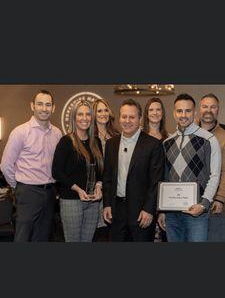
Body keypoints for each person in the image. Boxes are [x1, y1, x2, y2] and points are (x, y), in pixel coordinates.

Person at [158, 94, 222, 242]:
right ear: (174, 113)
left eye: (188, 111)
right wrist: (162, 210)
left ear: (195, 113)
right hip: (172, 213)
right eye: (179, 111)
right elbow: (164, 178)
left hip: (197, 212)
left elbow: (215, 175)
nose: (183, 115)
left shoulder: (209, 140)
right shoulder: (167, 143)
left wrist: (204, 204)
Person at [0, 90, 62, 242]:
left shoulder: (57, 133)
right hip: (28, 191)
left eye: (48, 105)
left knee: (43, 237)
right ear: (32, 106)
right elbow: (6, 165)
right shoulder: (20, 132)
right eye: (40, 104)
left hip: (50, 193)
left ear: (53, 108)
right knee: (23, 237)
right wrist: (19, 186)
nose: (44, 108)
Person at [103, 98, 165, 242]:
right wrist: (107, 204)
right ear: (119, 118)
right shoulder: (111, 144)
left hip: (141, 213)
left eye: (132, 117)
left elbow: (156, 181)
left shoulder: (153, 145)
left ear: (140, 118)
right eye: (124, 117)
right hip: (116, 211)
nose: (127, 121)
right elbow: (107, 178)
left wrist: (149, 209)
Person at [52, 100, 103, 242]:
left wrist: (99, 186)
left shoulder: (96, 142)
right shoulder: (66, 141)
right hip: (71, 201)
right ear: (74, 117)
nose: (84, 118)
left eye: (88, 114)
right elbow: (56, 172)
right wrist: (78, 190)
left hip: (93, 202)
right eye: (80, 114)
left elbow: (100, 171)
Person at [198, 93, 225, 241]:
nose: (208, 110)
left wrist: (220, 198)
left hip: (216, 205)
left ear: (218, 110)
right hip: (193, 202)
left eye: (213, 107)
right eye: (205, 106)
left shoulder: (224, 137)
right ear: (199, 109)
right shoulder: (190, 133)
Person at [92, 98, 119, 241]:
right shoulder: (89, 137)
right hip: (95, 192)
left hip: (113, 191)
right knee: (98, 232)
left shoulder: (117, 135)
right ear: (93, 115)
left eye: (105, 110)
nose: (103, 113)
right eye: (99, 111)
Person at [143, 97, 169, 242]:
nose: (155, 113)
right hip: (144, 195)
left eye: (158, 109)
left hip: (163, 195)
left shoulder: (170, 139)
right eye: (151, 109)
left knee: (163, 237)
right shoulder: (139, 137)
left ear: (163, 113)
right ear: (146, 114)